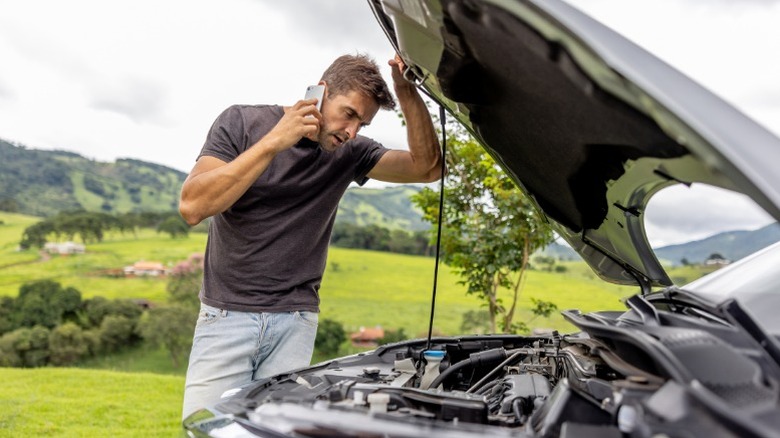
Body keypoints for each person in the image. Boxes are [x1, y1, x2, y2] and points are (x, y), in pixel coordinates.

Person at [178, 53, 441, 419]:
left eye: (362, 124)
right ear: (320, 92)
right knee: (206, 426)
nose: (352, 132)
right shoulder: (241, 121)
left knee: (278, 430)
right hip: (226, 317)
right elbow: (193, 206)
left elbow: (427, 168)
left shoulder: (350, 152)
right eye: (349, 114)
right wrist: (274, 142)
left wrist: (407, 91)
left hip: (296, 322)